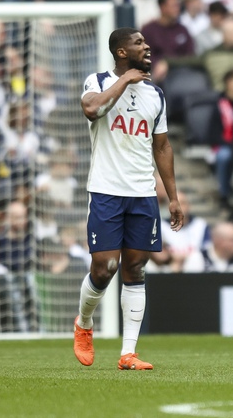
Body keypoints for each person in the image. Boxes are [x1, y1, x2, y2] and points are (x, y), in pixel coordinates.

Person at [74, 27, 184, 371]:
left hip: (142, 194)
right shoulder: (99, 80)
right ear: (122, 52)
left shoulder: (155, 94)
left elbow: (162, 146)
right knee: (105, 267)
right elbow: (92, 110)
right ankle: (84, 323)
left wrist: (173, 196)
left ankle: (128, 353)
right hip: (106, 189)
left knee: (135, 268)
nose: (147, 45)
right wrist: (125, 81)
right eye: (138, 42)